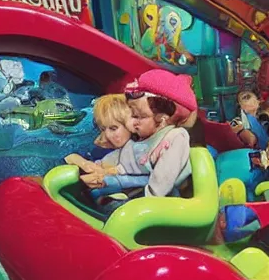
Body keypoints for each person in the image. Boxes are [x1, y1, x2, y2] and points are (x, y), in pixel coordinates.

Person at [82, 69, 196, 198]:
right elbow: (127, 166)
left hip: (162, 202)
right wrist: (105, 173)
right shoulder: (141, 138)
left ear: (162, 118)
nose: (132, 123)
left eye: (139, 117)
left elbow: (160, 185)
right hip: (137, 192)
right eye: (132, 115)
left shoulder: (175, 137)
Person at [65, 94, 149, 197]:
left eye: (113, 128)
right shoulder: (108, 150)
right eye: (104, 129)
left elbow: (148, 179)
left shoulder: (142, 150)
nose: (108, 135)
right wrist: (80, 162)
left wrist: (107, 179)